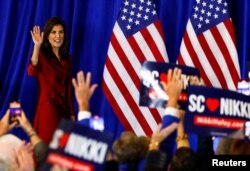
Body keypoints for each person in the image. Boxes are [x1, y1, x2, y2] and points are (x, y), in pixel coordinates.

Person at [27, 17, 75, 145]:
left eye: (61, 32)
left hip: (64, 112)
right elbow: (32, 71)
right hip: (48, 112)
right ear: (47, 35)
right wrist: (37, 46)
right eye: (53, 32)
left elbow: (68, 89)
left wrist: (71, 113)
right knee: (47, 151)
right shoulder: (41, 54)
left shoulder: (66, 59)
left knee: (62, 151)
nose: (58, 36)